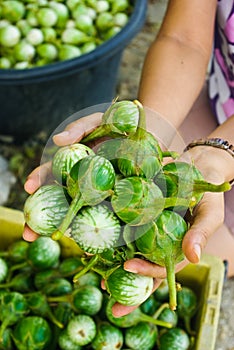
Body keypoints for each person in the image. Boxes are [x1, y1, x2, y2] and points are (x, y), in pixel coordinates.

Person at [23, 0, 234, 316]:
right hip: (221, 94)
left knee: (209, 252)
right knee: (182, 223)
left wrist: (221, 152)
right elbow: (184, 39)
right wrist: (147, 132)